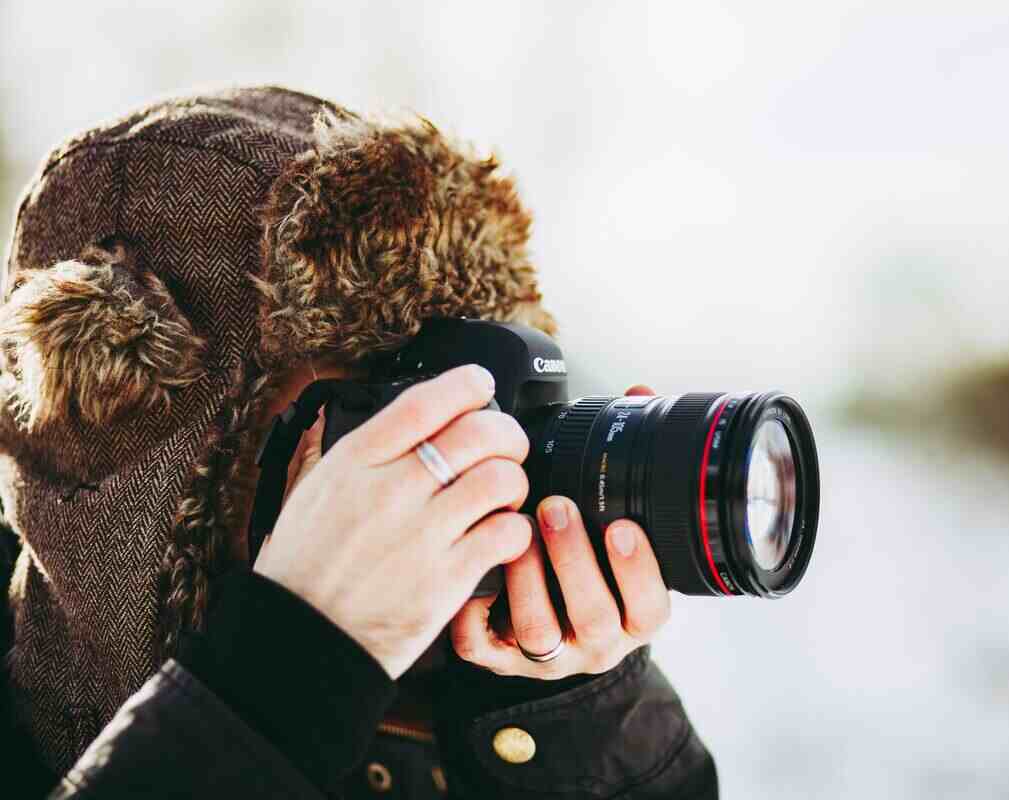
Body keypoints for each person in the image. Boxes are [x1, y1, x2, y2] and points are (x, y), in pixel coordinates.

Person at [0, 86, 717, 798]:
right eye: (394, 411)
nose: (465, 459)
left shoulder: (455, 709)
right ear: (168, 466)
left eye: (487, 408)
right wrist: (282, 672)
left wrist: (568, 724)